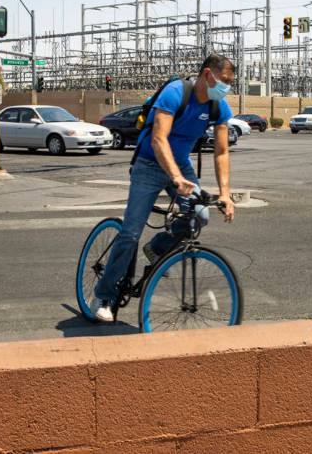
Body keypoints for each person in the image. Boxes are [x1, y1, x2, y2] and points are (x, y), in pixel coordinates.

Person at [91, 54, 237, 322]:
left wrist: (225, 193)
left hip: (181, 167)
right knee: (131, 233)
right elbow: (158, 139)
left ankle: (157, 248)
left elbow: (221, 152)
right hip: (149, 164)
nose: (227, 86)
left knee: (201, 215)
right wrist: (175, 177)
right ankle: (104, 294)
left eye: (230, 82)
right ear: (208, 74)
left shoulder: (218, 107)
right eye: (224, 80)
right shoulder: (176, 92)